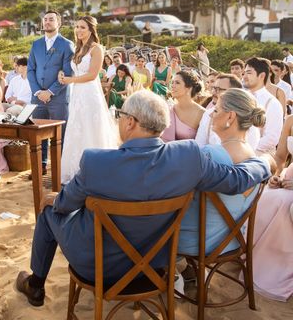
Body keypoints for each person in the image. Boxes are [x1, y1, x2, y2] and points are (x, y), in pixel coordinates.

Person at [15, 90, 271, 307]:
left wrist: (55, 201)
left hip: (97, 267)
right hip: (158, 264)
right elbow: (237, 180)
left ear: (130, 122)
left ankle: (36, 285)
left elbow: (67, 204)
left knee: (50, 210)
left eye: (120, 116)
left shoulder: (97, 162)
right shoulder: (189, 157)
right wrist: (265, 162)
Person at [179, 88, 265, 255]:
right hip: (232, 240)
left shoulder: (209, 155)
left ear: (230, 117)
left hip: (197, 242)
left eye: (216, 109)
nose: (210, 115)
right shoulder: (254, 156)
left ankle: (169, 276)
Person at [57, 16, 119, 184]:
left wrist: (71, 81)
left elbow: (92, 75)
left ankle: (96, 171)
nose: (78, 30)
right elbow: (76, 71)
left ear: (91, 30)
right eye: (76, 27)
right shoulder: (78, 48)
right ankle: (76, 170)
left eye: (82, 27)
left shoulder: (96, 48)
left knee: (91, 128)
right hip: (77, 94)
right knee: (77, 128)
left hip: (90, 94)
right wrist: (64, 76)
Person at [27, 10, 75, 174]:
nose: (47, 22)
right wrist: (38, 92)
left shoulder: (66, 44)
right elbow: (30, 70)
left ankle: (59, 169)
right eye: (45, 19)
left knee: (59, 135)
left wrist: (50, 92)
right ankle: (41, 166)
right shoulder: (36, 44)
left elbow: (68, 72)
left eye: (51, 19)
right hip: (38, 97)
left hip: (59, 98)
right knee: (39, 133)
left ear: (58, 23)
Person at [251, 156, 293, 301]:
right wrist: (277, 178)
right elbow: (281, 157)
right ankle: (250, 252)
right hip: (287, 183)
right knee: (265, 195)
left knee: (283, 204)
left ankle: (277, 265)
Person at [195, 74, 260, 149]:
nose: (214, 92)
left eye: (219, 89)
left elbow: (250, 151)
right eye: (214, 88)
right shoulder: (208, 114)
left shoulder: (246, 118)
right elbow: (199, 144)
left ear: (233, 93)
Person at [242, 57, 284, 157]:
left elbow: (271, 138)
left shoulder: (272, 103)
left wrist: (245, 149)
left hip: (258, 156)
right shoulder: (240, 98)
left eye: (249, 73)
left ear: (262, 75)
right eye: (244, 73)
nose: (244, 77)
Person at [161, 70, 205, 142]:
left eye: (177, 83)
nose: (172, 85)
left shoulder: (202, 114)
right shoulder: (169, 109)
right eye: (172, 82)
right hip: (167, 151)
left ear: (189, 88)